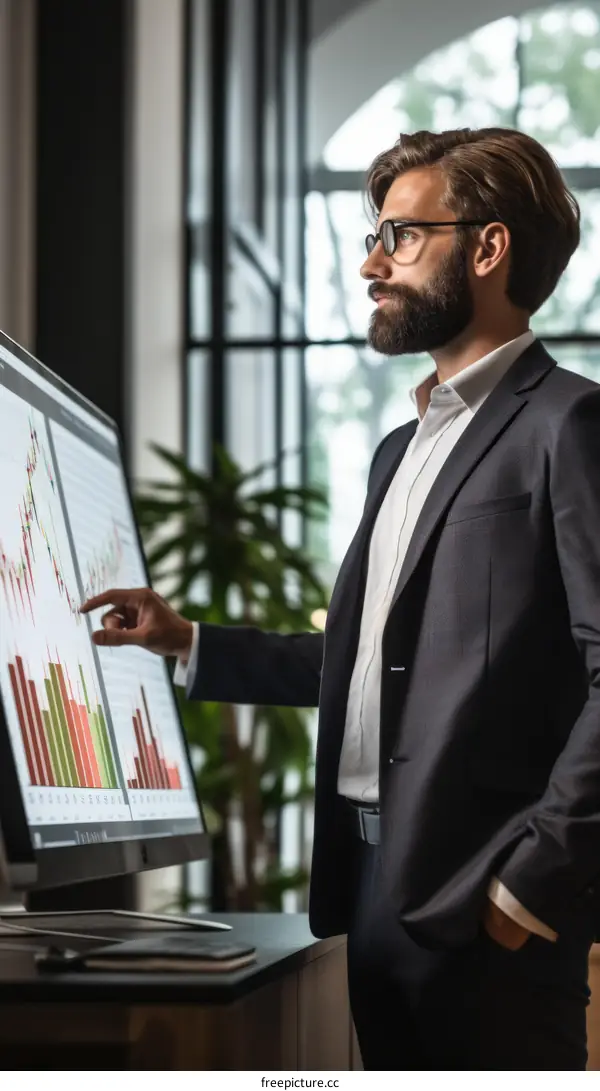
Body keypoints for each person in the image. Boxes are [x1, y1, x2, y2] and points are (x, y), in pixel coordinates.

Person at [81, 127, 600, 1070]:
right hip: (371, 883)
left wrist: (528, 890)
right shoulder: (399, 452)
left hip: (482, 904)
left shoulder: (570, 424)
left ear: (487, 248)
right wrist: (189, 638)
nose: (371, 262)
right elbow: (371, 666)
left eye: (401, 235)